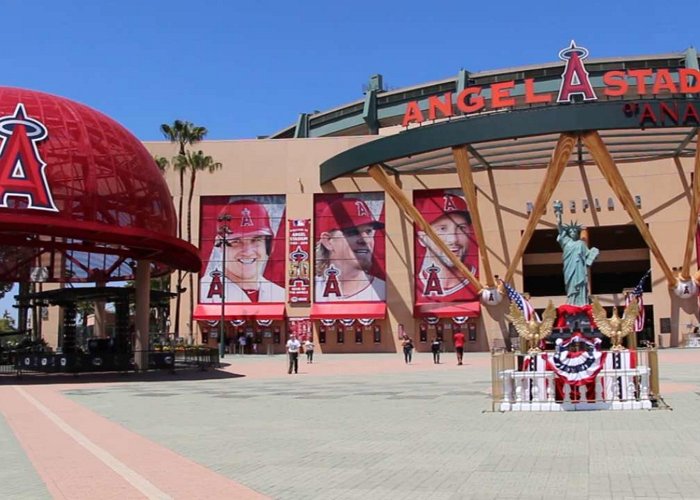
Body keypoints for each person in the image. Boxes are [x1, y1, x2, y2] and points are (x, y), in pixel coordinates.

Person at [201, 199, 285, 304]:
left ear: (268, 245)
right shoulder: (202, 293)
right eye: (236, 241)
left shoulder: (281, 295)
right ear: (220, 244)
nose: (248, 251)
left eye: (256, 240)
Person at [315, 197, 385, 302]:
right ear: (328, 241)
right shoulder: (310, 292)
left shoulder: (385, 291)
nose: (365, 240)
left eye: (369, 231)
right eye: (353, 232)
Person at [414, 192, 479, 301]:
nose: (453, 239)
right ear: (422, 238)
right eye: (442, 229)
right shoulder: (413, 286)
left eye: (461, 228)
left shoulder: (482, 283)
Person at [553, 200, 599, 306]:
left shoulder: (581, 244)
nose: (573, 233)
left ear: (578, 233)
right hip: (569, 269)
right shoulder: (566, 241)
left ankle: (582, 303)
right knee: (571, 286)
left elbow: (588, 256)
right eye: (571, 231)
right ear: (568, 233)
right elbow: (559, 227)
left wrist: (594, 252)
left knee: (581, 285)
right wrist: (558, 213)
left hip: (580, 270)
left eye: (575, 231)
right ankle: (572, 303)